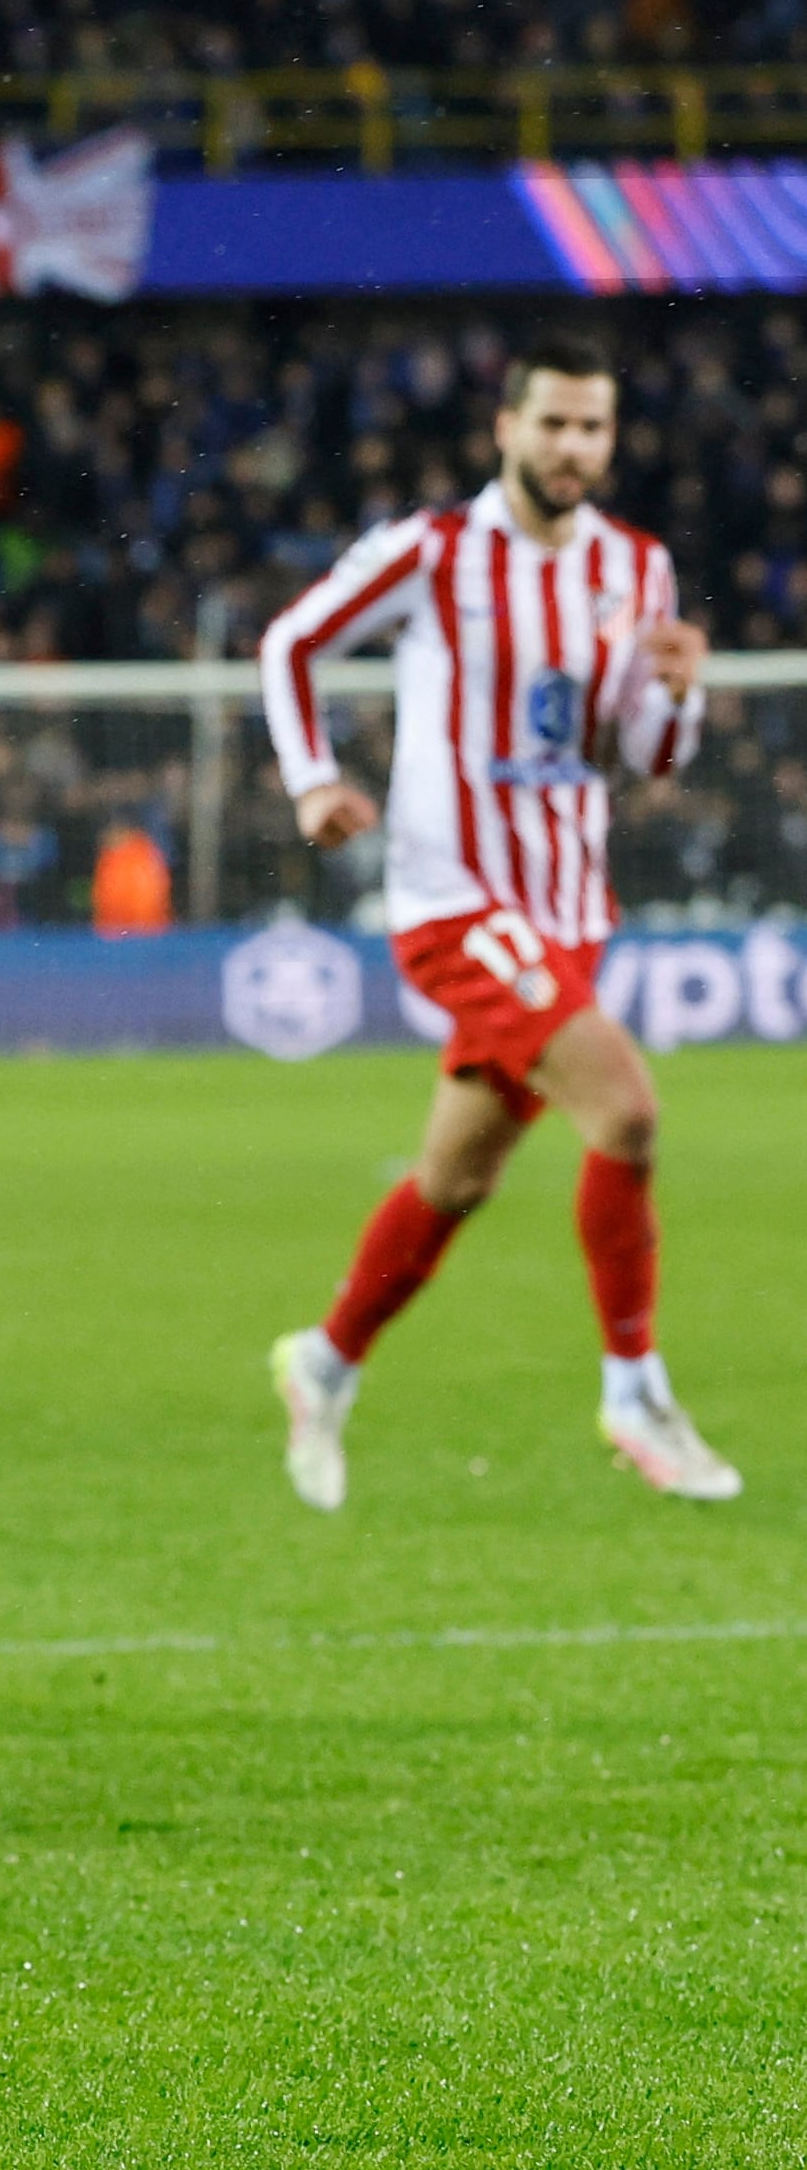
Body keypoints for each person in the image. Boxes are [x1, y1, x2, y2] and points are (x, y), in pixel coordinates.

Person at [258, 330, 733, 1509]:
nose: (574, 447)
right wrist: (313, 778)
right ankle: (634, 1390)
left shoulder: (636, 567)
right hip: (454, 899)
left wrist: (678, 695)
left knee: (452, 1178)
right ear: (505, 429)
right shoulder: (433, 551)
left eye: (593, 428)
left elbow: (639, 754)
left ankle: (322, 1360)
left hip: (569, 906)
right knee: (623, 1114)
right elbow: (290, 640)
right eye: (554, 424)